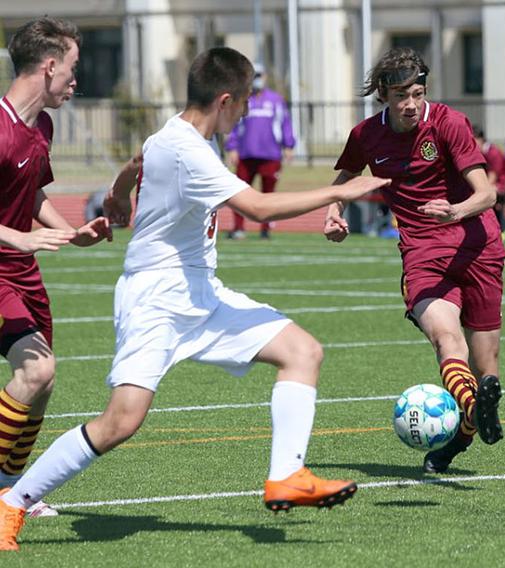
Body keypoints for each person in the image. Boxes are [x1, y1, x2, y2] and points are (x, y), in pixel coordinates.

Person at [0, 46, 390, 552]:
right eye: (246, 101)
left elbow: (139, 161)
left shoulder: (176, 135)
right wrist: (340, 193)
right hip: (157, 299)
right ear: (225, 100)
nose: (249, 111)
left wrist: (119, 193)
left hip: (199, 292)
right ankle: (12, 503)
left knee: (303, 352)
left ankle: (286, 477)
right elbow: (258, 207)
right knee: (120, 422)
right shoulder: (187, 148)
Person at [325, 47, 505, 474]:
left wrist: (456, 210)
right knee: (447, 341)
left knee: (486, 370)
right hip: (424, 253)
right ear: (384, 95)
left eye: (418, 93)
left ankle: (463, 433)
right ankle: (473, 408)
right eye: (401, 96)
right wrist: (334, 211)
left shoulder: (448, 123)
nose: (411, 104)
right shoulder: (366, 135)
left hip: (479, 248)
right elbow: (344, 179)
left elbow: (488, 194)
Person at [0, 17, 113, 519]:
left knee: (44, 383)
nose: (75, 80)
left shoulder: (41, 125)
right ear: (48, 66)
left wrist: (71, 231)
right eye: (71, 68)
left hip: (23, 270)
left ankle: (12, 489)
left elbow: (34, 193)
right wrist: (20, 237)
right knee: (35, 368)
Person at [224, 63, 296, 240]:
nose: (256, 80)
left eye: (259, 75)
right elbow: (233, 125)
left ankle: (266, 229)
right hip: (246, 154)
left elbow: (285, 123)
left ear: (264, 77)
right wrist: (232, 147)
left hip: (270, 154)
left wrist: (288, 145)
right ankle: (239, 228)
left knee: (268, 195)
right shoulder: (242, 100)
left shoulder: (276, 100)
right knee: (239, 194)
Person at [472, 124, 505, 226]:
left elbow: (493, 176)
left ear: (481, 139)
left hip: (500, 183)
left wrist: (478, 189)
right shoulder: (475, 153)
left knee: (485, 193)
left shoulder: (493, 152)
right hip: (486, 183)